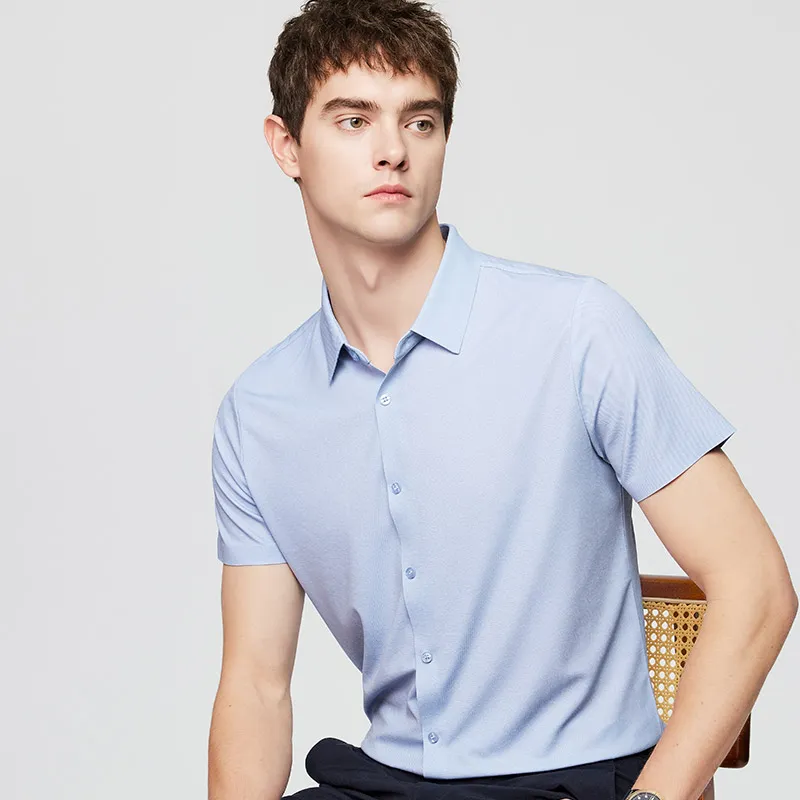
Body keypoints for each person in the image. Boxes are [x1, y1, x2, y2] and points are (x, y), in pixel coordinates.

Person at [207, 2, 797, 800]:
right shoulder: (259, 414)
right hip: (388, 779)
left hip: (575, 782)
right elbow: (255, 686)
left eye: (420, 122)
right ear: (287, 146)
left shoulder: (578, 331)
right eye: (353, 120)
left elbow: (756, 587)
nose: (392, 150)